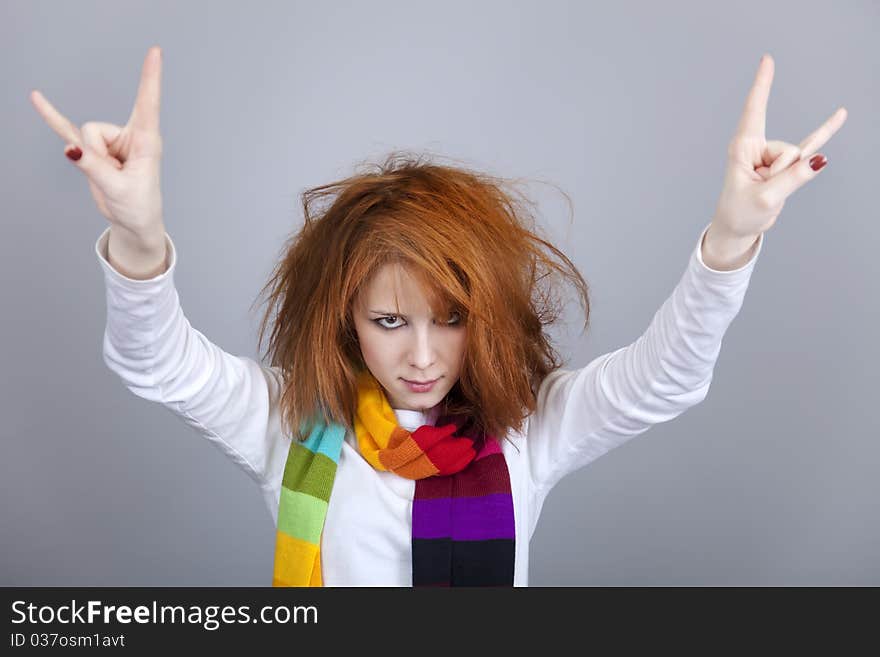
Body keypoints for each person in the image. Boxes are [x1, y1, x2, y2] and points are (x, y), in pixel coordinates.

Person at [30, 46, 847, 586]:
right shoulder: (287, 422)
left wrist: (734, 233)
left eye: (449, 319)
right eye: (389, 322)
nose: (422, 354)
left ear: (483, 316)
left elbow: (667, 377)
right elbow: (156, 360)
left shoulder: (531, 427)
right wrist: (135, 233)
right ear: (344, 319)